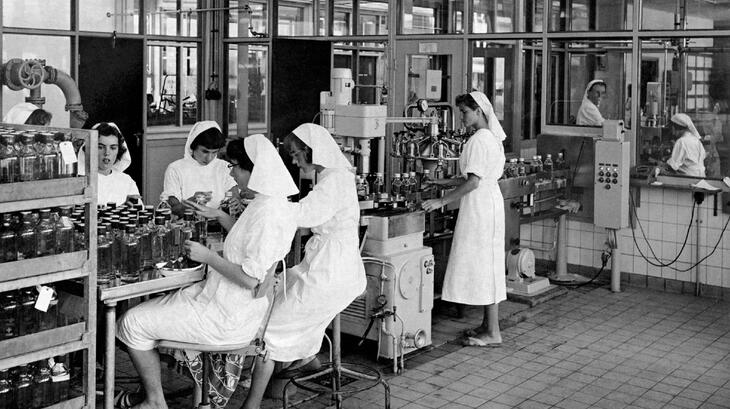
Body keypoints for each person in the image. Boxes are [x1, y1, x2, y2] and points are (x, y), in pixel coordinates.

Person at [116, 135, 299, 409]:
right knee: (155, 310)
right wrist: (218, 215)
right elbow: (248, 240)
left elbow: (250, 278)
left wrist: (208, 257)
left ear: (255, 171)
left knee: (131, 323)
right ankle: (157, 393)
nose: (232, 172)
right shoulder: (269, 203)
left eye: (235, 167)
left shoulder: (268, 214)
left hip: (227, 316)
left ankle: (155, 400)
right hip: (227, 303)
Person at [241, 123, 366, 409]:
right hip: (327, 265)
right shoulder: (331, 177)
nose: (295, 161)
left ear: (313, 151)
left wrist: (267, 201)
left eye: (297, 155)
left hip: (331, 271)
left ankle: (252, 404)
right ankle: (303, 370)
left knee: (271, 329)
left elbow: (306, 214)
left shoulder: (334, 180)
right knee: (280, 307)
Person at [422, 91, 506, 347]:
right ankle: (486, 325)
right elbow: (471, 177)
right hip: (483, 204)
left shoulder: (481, 140)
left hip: (482, 208)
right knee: (484, 266)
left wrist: (441, 201)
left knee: (487, 267)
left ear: (479, 111)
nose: (461, 117)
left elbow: (473, 182)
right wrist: (442, 181)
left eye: (465, 112)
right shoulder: (486, 137)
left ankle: (493, 333)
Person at [160, 120, 236, 217]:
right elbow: (174, 209)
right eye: (205, 151)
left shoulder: (225, 167)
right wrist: (193, 201)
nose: (209, 158)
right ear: (193, 146)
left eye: (214, 152)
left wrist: (235, 203)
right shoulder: (175, 169)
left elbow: (235, 197)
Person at [95, 122, 142, 206]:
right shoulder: (82, 181)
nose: (107, 153)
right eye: (100, 147)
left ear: (118, 151)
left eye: (113, 148)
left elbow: (139, 212)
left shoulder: (126, 181)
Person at [665, 113, 706, 177]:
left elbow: (672, 166)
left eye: (672, 128)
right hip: (701, 177)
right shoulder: (696, 140)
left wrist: (660, 167)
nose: (672, 132)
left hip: (689, 179)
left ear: (674, 128)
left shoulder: (681, 141)